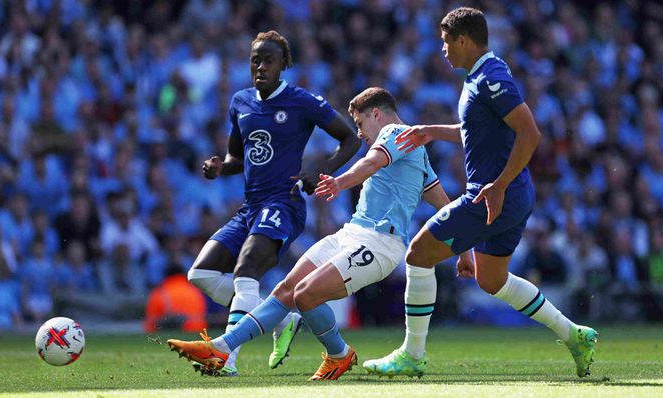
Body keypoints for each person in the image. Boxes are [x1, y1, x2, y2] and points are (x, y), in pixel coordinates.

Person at [362, 7, 598, 378]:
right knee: (492, 280)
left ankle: (412, 354)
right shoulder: (478, 77)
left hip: (491, 194)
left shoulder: (490, 77)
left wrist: (499, 186)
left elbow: (530, 133)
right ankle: (574, 334)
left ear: (462, 40)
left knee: (419, 254)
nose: (442, 50)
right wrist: (431, 131)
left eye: (445, 42)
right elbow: (475, 128)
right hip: (511, 195)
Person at [168, 86, 463, 380]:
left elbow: (370, 163)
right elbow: (444, 205)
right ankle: (221, 348)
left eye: (360, 124)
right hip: (351, 234)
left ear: (376, 114)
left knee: (305, 295)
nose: (359, 134)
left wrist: (339, 181)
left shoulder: (394, 134)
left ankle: (338, 354)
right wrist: (465, 251)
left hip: (379, 244)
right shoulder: (416, 148)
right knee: (285, 290)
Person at [183, 31, 360, 376]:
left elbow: (349, 139)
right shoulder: (241, 102)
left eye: (268, 60)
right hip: (251, 207)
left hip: (284, 203)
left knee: (246, 269)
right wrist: (221, 166)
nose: (261, 66)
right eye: (255, 60)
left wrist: (320, 171)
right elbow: (238, 156)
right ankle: (278, 317)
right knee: (200, 273)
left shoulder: (301, 101)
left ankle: (226, 358)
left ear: (284, 64)